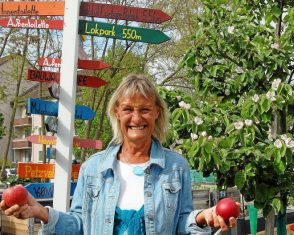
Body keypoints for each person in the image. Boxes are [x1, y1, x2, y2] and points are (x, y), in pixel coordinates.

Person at [1, 74, 238, 234]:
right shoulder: (93, 169)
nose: (136, 118)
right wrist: (42, 213)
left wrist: (203, 217)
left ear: (156, 112)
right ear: (117, 112)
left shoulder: (176, 167)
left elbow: (181, 224)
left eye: (145, 109)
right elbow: (80, 225)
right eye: (128, 109)